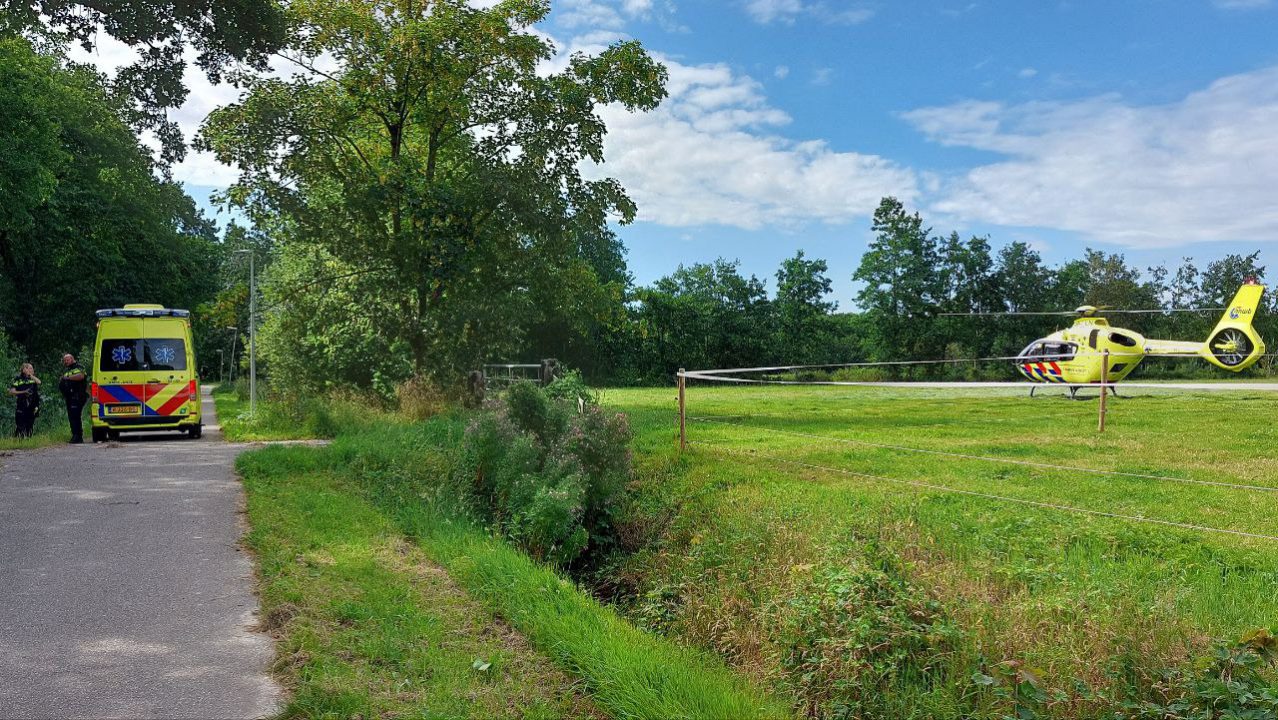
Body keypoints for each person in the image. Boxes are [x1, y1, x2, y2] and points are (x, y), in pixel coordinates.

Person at [59, 354, 88, 444]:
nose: (65, 362)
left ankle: (78, 436)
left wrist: (67, 378)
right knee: (71, 416)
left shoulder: (79, 367)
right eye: (64, 360)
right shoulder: (68, 370)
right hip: (69, 397)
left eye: (67, 360)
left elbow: (81, 376)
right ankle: (75, 435)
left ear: (72, 359)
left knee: (75, 416)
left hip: (78, 395)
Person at [8, 363, 41, 439]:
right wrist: (24, 392)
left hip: (33, 405)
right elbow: (11, 392)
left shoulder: (33, 379)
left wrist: (30, 375)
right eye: (29, 368)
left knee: (30, 424)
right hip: (21, 404)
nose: (32, 370)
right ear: (23, 370)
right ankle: (18, 440)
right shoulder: (18, 379)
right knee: (20, 423)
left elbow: (39, 382)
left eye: (32, 368)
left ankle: (28, 440)